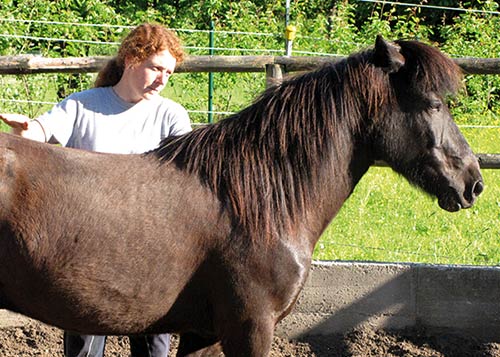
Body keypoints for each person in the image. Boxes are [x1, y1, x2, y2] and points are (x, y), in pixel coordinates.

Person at [0, 23, 191, 357]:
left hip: (153, 251)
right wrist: (25, 131)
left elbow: (186, 178)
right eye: (157, 69)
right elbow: (43, 131)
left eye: (169, 73)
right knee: (84, 342)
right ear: (133, 59)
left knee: (154, 346)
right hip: (87, 248)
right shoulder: (82, 105)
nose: (163, 79)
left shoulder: (171, 116)